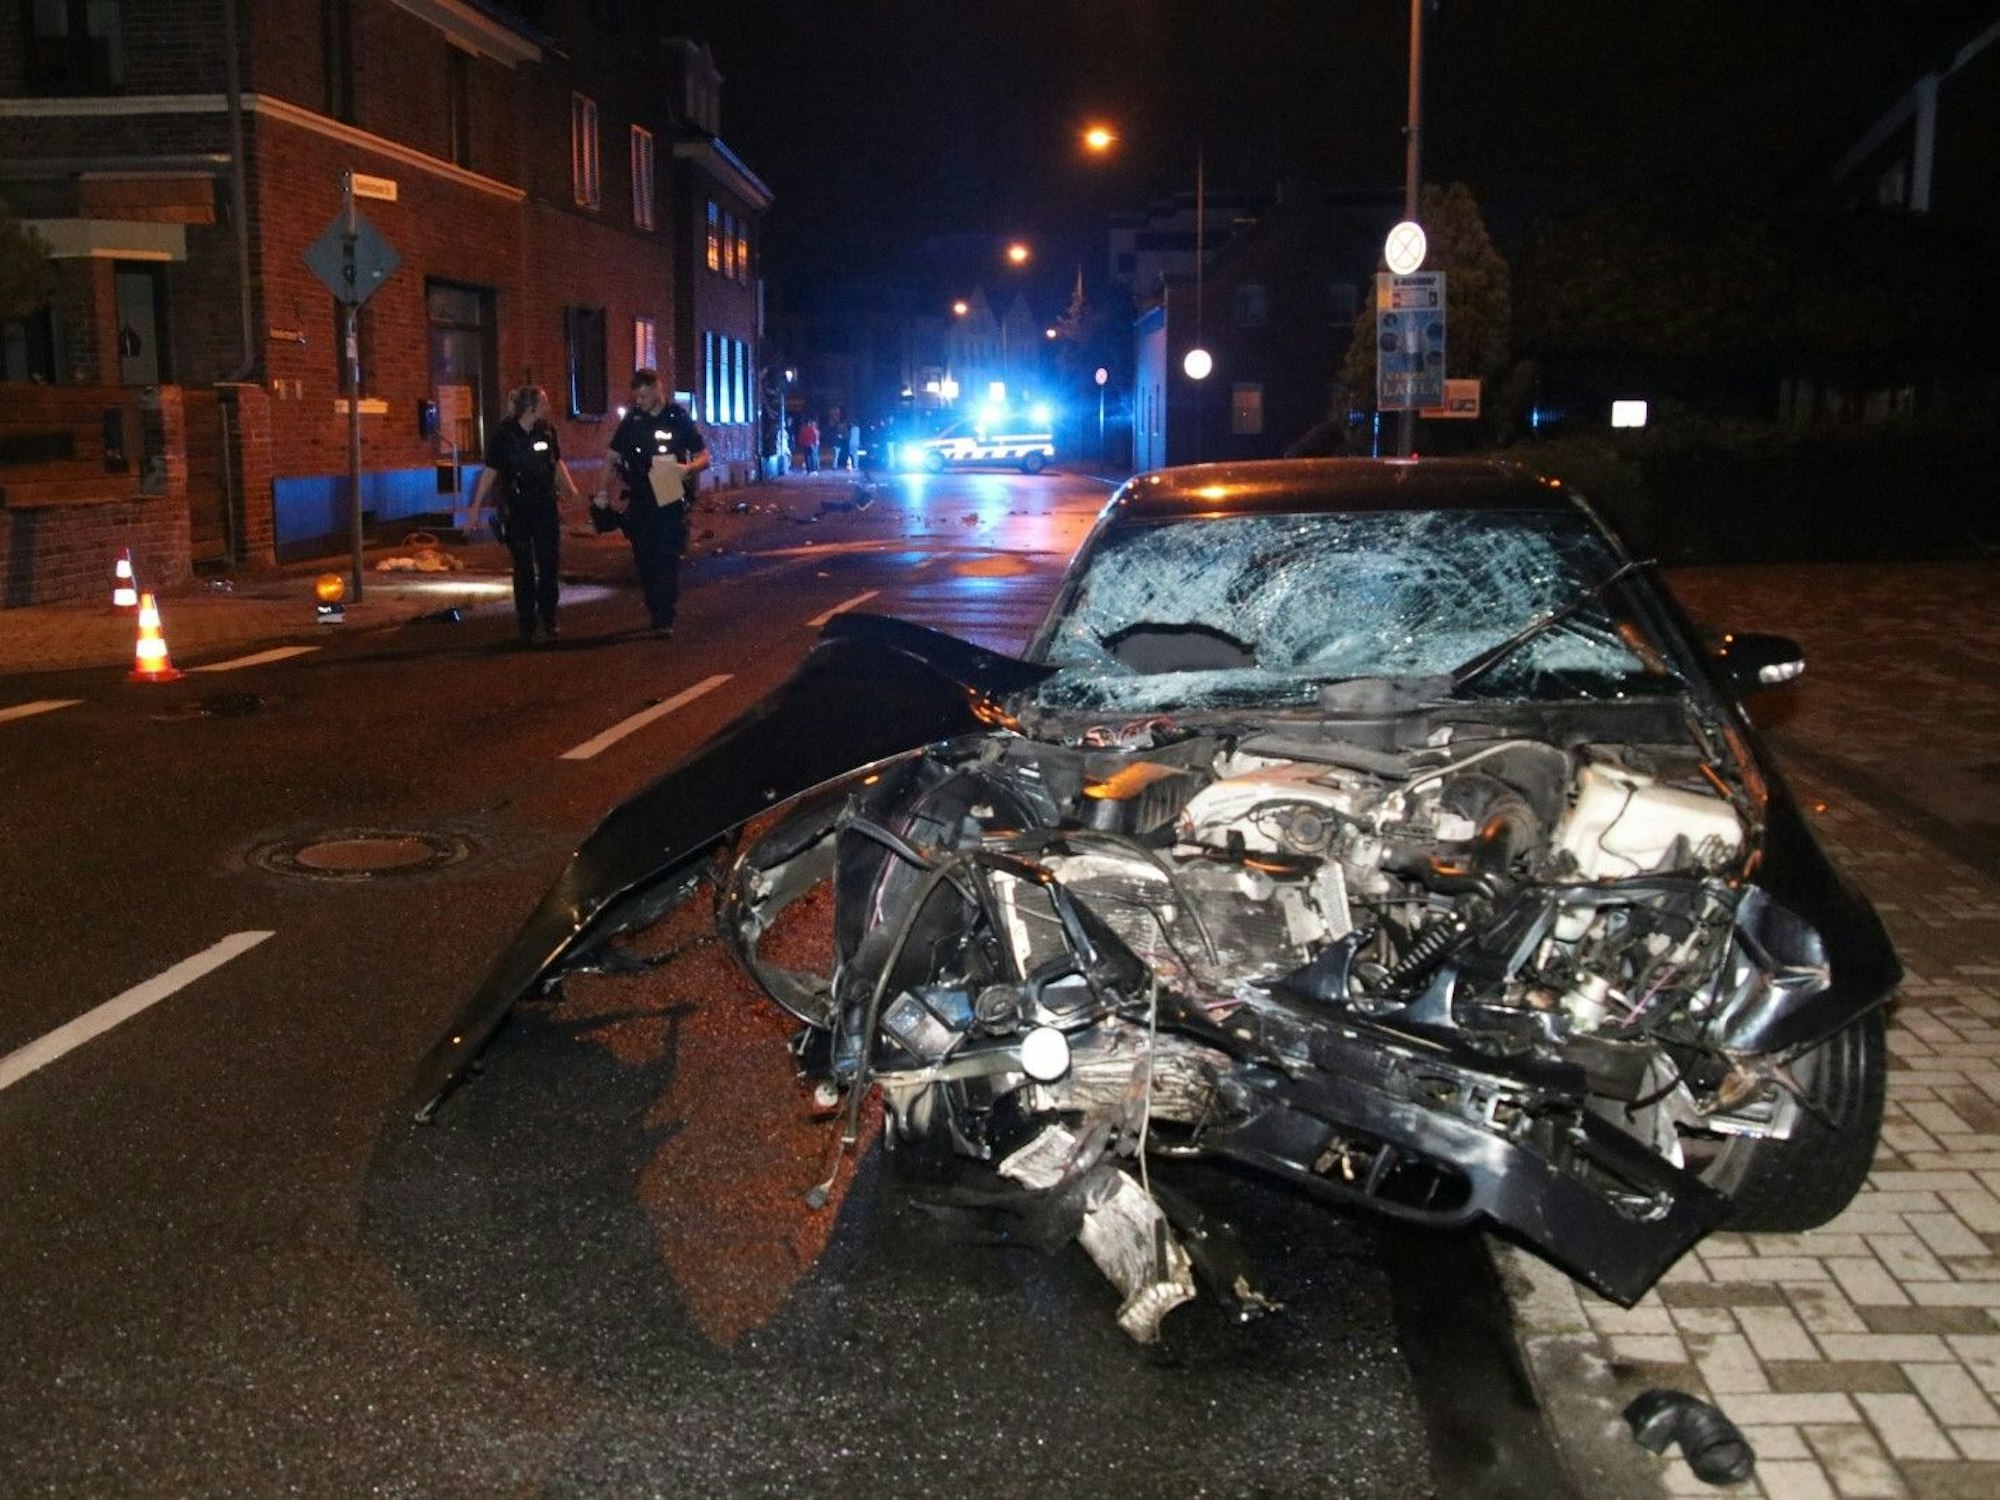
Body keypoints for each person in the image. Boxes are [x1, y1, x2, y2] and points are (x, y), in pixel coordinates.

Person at [596, 368, 709, 639]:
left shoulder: (677, 418)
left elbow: (704, 456)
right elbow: (612, 457)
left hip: (670, 491)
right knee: (645, 558)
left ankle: (664, 616)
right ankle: (654, 605)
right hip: (641, 495)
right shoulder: (633, 421)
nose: (640, 402)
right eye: (637, 397)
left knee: (666, 557)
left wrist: (688, 468)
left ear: (658, 389)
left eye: (644, 396)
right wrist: (602, 491)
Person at [475, 384, 578, 644]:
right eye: (544, 402)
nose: (549, 406)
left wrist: (571, 488)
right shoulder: (505, 433)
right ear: (530, 407)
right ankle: (526, 623)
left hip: (544, 504)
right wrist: (475, 508)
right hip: (517, 506)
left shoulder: (546, 430)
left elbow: (556, 462)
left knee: (548, 563)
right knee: (522, 566)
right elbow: (490, 471)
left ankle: (549, 617)